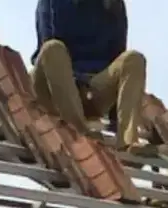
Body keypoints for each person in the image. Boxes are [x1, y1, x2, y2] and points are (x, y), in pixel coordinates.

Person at [30, 0, 149, 153]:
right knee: (53, 48)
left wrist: (115, 120)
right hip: (55, 88)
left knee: (134, 59)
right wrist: (76, 83)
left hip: (92, 88)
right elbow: (47, 47)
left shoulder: (113, 5)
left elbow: (117, 59)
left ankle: (128, 142)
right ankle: (80, 133)